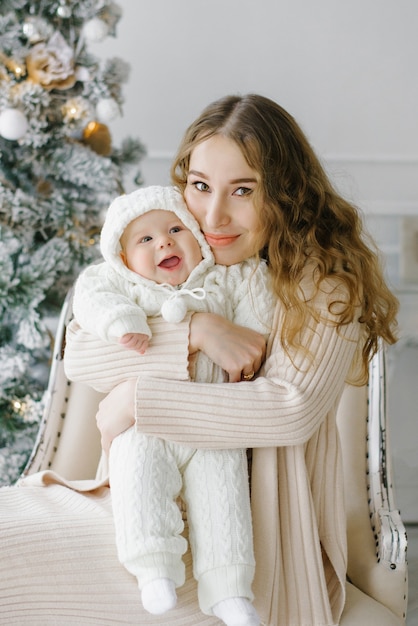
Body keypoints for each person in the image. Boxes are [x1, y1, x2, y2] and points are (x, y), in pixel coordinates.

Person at [0, 93, 398, 626]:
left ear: (285, 195)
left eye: (243, 191)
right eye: (201, 186)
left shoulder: (323, 285)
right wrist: (194, 332)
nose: (213, 214)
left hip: (244, 547)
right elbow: (84, 356)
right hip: (139, 505)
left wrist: (138, 398)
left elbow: (287, 408)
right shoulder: (177, 261)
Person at [68, 184, 273, 625]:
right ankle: (153, 567)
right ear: (123, 259)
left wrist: (254, 340)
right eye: (144, 239)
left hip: (211, 424)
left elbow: (257, 304)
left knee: (225, 495)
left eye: (175, 229)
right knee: (138, 475)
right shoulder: (121, 284)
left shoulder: (221, 277)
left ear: (197, 239)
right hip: (143, 424)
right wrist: (121, 321)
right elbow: (90, 295)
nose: (163, 241)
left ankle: (230, 589)